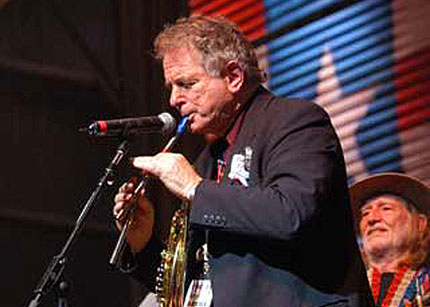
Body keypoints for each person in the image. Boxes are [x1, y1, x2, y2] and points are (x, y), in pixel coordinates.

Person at [113, 15, 374, 307]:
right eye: (171, 87)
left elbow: (291, 214)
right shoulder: (206, 162)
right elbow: (196, 285)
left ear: (234, 77)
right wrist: (143, 243)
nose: (174, 99)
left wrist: (196, 190)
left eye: (186, 83)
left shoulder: (296, 121)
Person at [349, 172, 430, 307]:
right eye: (365, 213)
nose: (372, 219)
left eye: (386, 208)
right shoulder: (340, 291)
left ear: (420, 223)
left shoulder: (425, 284)